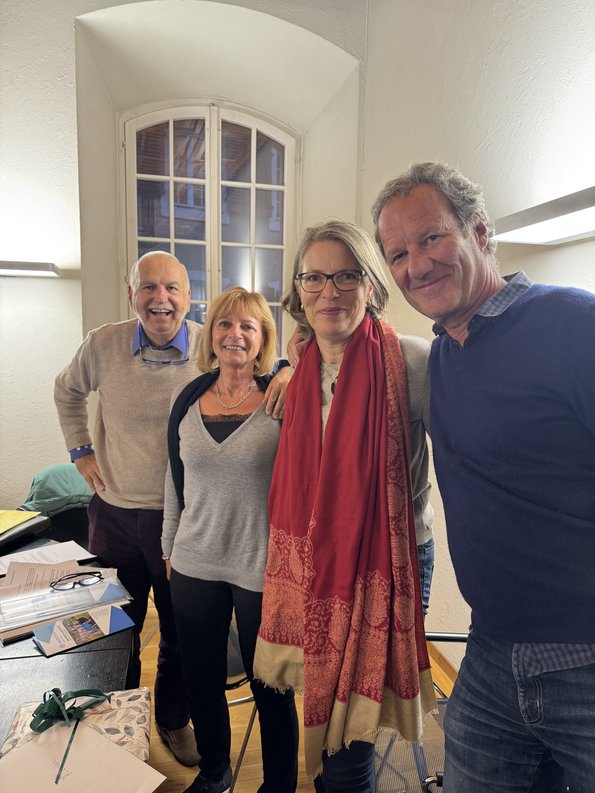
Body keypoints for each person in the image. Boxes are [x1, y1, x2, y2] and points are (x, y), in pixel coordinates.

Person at [372, 161, 595, 793]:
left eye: (431, 238)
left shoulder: (574, 324)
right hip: (492, 652)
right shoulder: (441, 354)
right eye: (398, 254)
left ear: (479, 230)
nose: (416, 266)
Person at [54, 251, 289, 766]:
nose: (160, 299)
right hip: (114, 513)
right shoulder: (102, 345)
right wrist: (80, 450)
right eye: (148, 287)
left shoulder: (211, 344)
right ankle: (115, 726)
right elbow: (65, 391)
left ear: (188, 297)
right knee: (113, 629)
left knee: (182, 640)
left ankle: (173, 718)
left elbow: (263, 362)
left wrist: (288, 369)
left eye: (172, 288)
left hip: (181, 519)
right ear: (131, 293)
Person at [253, 220, 436, 792]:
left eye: (346, 276)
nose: (329, 292)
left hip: (388, 564)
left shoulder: (412, 361)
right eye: (314, 278)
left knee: (350, 740)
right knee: (327, 711)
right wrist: (287, 364)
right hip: (311, 566)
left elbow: (466, 456)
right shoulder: (293, 371)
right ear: (298, 290)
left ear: (371, 285)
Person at [162, 286, 299, 793]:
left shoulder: (281, 398)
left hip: (260, 564)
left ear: (262, 339)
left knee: (271, 687)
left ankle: (278, 784)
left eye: (247, 325)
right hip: (194, 560)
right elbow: (173, 479)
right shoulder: (187, 399)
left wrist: (289, 367)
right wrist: (169, 547)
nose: (234, 334)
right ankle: (215, 771)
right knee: (201, 680)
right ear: (211, 334)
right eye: (224, 323)